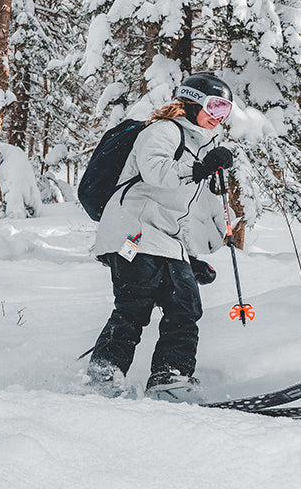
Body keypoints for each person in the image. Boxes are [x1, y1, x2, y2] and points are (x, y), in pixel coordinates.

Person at [85, 72, 237, 399]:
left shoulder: (199, 146)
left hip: (165, 242)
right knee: (133, 309)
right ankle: (103, 378)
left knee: (185, 307)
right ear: (192, 101)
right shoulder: (163, 131)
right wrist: (201, 168)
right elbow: (156, 173)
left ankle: (170, 378)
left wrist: (189, 258)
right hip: (132, 232)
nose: (218, 116)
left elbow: (177, 212)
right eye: (214, 106)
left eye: (225, 110)